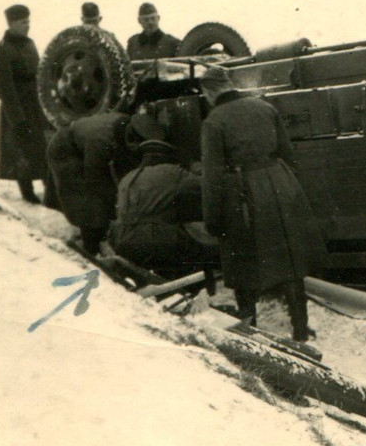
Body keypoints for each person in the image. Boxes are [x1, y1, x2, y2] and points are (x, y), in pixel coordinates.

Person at [199, 66, 323, 341]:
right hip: (280, 185)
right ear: (229, 83)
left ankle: (249, 329)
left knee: (241, 260)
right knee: (289, 259)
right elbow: (288, 154)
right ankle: (300, 329)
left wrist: (213, 219)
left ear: (208, 92)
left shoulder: (213, 122)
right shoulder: (264, 107)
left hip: (242, 194)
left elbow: (212, 177)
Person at [110, 115, 221, 278]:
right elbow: (211, 186)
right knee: (210, 251)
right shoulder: (173, 173)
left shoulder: (128, 178)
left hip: (121, 240)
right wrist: (196, 166)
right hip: (157, 240)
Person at [47, 110, 135, 255]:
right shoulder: (100, 141)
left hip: (82, 144)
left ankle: (98, 235)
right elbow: (96, 180)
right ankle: (90, 244)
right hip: (65, 149)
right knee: (86, 199)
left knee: (100, 199)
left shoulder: (126, 123)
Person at [0, 4, 53, 205]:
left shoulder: (30, 44)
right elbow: (4, 89)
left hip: (36, 105)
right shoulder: (1, 51)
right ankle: (27, 193)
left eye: (28, 21)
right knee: (21, 151)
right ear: (12, 24)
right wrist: (18, 119)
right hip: (17, 108)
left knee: (42, 147)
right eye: (23, 22)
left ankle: (50, 191)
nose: (28, 25)